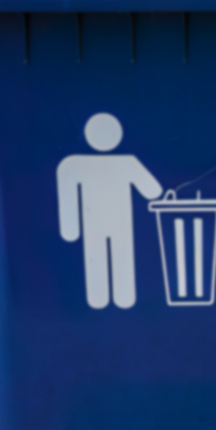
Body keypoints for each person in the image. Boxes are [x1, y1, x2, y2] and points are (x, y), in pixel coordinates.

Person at [56, 113, 162, 309]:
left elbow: (67, 195)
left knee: (95, 257)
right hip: (119, 222)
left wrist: (70, 229)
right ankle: (123, 299)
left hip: (94, 223)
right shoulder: (127, 163)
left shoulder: (73, 164)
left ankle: (99, 300)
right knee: (121, 257)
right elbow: (153, 191)